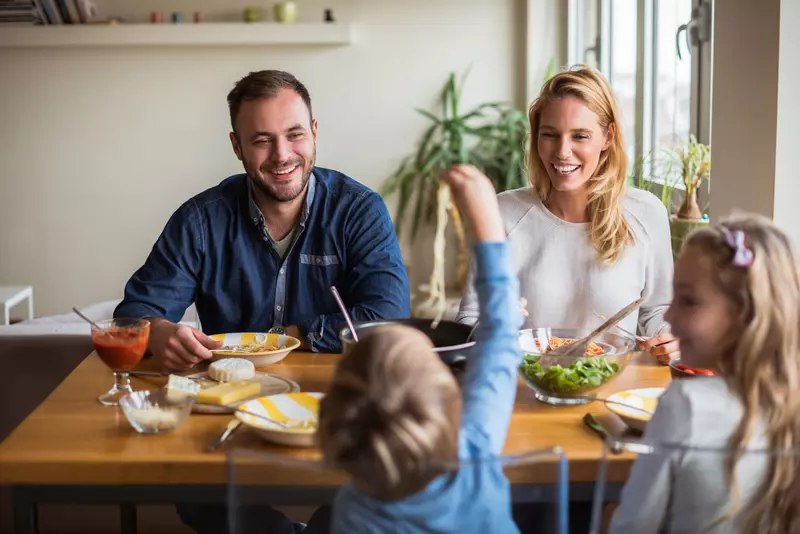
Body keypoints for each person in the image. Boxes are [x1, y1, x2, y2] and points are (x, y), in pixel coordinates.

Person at [114, 70, 410, 370]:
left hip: (333, 393)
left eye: (295, 135)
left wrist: (286, 337)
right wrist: (158, 332)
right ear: (237, 146)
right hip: (226, 396)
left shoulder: (359, 211)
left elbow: (390, 315)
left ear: (314, 132)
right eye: (262, 140)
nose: (281, 155)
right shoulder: (199, 221)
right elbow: (135, 314)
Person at [318, 165, 523, 532]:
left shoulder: (351, 513)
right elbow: (502, 333)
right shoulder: (474, 456)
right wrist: (488, 223)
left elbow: (500, 335)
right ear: (450, 403)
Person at [456, 66, 678, 364]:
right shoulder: (503, 213)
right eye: (550, 135)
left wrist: (671, 338)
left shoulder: (647, 213)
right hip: (526, 386)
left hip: (615, 387)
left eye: (580, 136)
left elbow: (656, 311)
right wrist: (495, 325)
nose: (562, 151)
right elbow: (469, 320)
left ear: (607, 137)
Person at [612, 213, 800, 532]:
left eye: (688, 301)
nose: (670, 314)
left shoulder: (685, 404)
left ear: (745, 314)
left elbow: (633, 527)